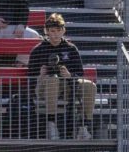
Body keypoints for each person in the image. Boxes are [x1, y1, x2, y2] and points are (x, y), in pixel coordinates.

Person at [27, 13, 95, 141]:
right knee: (52, 79)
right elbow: (30, 75)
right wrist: (40, 74)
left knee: (89, 85)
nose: (56, 34)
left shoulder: (71, 48)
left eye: (59, 30)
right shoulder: (38, 49)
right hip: (43, 87)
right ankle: (51, 124)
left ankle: (84, 126)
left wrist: (70, 75)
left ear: (64, 30)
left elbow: (80, 72)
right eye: (52, 31)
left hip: (67, 86)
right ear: (46, 31)